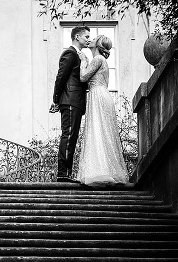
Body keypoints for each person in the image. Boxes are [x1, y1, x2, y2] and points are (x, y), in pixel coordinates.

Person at [75, 35, 130, 186]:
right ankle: (105, 170)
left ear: (98, 44)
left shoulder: (98, 59)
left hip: (98, 96)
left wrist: (83, 61)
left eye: (93, 39)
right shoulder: (101, 60)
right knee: (103, 132)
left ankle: (99, 172)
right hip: (102, 94)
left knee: (98, 131)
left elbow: (83, 77)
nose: (90, 40)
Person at [51, 25, 91, 183]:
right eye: (86, 36)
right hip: (69, 100)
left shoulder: (80, 56)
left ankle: (66, 173)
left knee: (72, 137)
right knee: (68, 136)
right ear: (77, 37)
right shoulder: (70, 53)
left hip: (76, 101)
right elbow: (60, 77)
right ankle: (63, 174)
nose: (88, 40)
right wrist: (56, 99)